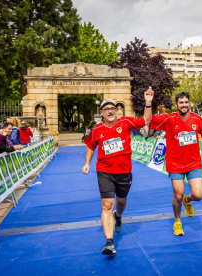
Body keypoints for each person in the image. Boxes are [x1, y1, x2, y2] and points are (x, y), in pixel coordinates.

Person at [82, 88, 154, 255]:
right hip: (104, 171)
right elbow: (90, 147)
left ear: (116, 110)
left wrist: (148, 103)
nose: (110, 111)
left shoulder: (126, 123)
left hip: (124, 172)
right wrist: (87, 163)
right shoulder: (97, 130)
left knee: (121, 201)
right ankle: (109, 242)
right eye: (106, 109)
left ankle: (119, 216)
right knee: (107, 205)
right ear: (101, 112)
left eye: (112, 108)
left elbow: (145, 120)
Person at [149, 91, 202, 236]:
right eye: (181, 103)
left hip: (193, 163)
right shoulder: (169, 118)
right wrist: (148, 103)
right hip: (175, 164)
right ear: (176, 105)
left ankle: (189, 200)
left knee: (198, 195)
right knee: (178, 195)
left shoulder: (196, 119)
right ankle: (178, 221)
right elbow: (148, 119)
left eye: (186, 102)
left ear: (189, 103)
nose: (184, 105)